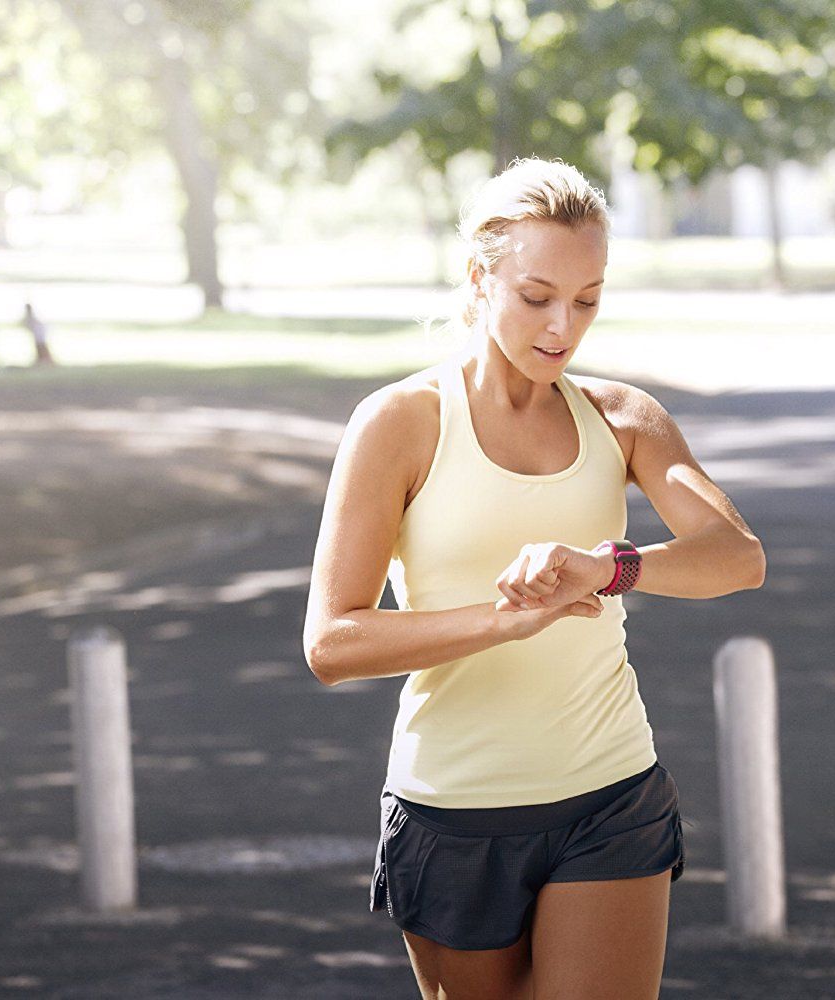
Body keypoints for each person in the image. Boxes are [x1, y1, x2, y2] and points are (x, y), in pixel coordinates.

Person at [302, 157, 766, 999]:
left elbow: (737, 555)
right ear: (481, 280)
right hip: (454, 811)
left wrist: (608, 566)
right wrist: (500, 620)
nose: (563, 325)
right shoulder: (400, 425)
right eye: (537, 296)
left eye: (587, 299)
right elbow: (333, 642)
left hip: (610, 795)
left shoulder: (622, 419)